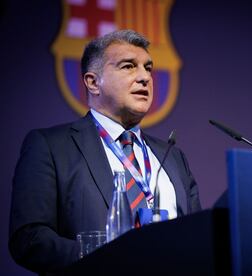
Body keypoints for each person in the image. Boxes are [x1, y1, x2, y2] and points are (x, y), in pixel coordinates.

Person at [9, 29, 201, 274]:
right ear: (92, 82)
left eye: (148, 68)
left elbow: (197, 238)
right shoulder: (50, 147)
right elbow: (29, 239)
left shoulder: (173, 157)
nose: (145, 77)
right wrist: (109, 258)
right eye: (128, 66)